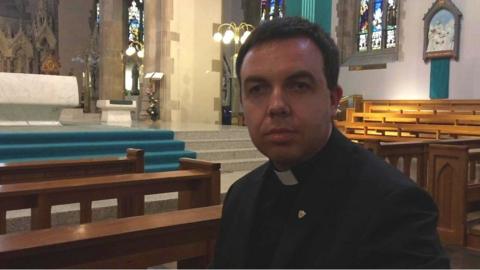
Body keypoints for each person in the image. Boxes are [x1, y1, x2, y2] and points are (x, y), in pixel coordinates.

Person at [211, 17, 449, 268]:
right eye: (258, 89)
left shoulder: (395, 206)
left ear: (334, 100)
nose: (276, 106)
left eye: (298, 86)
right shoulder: (241, 195)